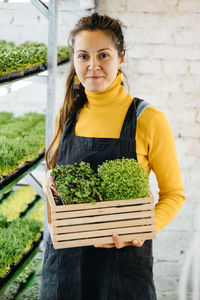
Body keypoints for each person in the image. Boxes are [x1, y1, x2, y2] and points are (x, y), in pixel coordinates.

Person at [39, 12, 185, 300]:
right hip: (65, 264)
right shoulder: (68, 114)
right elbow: (59, 185)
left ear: (120, 58)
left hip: (123, 263)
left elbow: (174, 194)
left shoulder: (148, 118)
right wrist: (52, 185)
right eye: (83, 56)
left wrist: (142, 230)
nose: (93, 66)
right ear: (75, 61)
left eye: (103, 55)